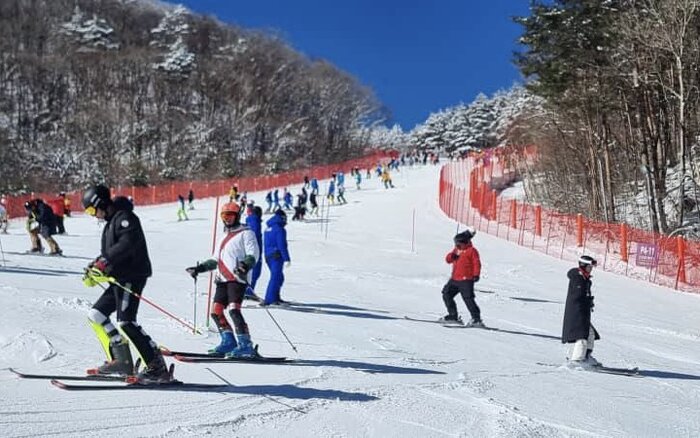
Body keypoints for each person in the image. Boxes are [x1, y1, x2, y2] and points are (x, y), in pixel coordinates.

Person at [81, 184, 169, 381]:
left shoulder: (126, 218)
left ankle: (157, 366)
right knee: (96, 314)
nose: (92, 215)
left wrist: (104, 262)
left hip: (132, 276)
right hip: (119, 279)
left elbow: (126, 245)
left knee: (126, 321)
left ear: (100, 203)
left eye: (91, 210)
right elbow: (110, 253)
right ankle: (122, 361)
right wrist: (96, 265)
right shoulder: (111, 222)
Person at [186, 202, 260, 357]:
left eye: (230, 215)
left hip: (237, 278)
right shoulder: (223, 236)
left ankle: (246, 345)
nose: (227, 219)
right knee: (216, 311)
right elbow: (215, 260)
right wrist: (199, 269)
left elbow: (253, 254)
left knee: (234, 310)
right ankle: (228, 342)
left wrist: (245, 266)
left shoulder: (246, 233)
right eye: (224, 216)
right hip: (222, 279)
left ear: (237, 216)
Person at [562, 255, 601, 367]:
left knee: (590, 334)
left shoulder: (585, 278)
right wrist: (587, 299)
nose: (591, 269)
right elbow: (577, 296)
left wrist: (589, 300)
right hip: (576, 313)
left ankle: (586, 357)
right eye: (589, 267)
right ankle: (577, 361)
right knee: (581, 336)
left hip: (582, 313)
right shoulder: (578, 278)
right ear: (583, 266)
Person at [439, 227, 482, 327]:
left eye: (458, 243)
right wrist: (451, 256)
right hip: (454, 279)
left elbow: (477, 263)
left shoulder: (472, 251)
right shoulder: (457, 250)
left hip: (466, 280)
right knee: (446, 294)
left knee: (468, 299)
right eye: (455, 243)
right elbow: (448, 260)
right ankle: (453, 315)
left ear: (465, 242)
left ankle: (476, 319)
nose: (456, 245)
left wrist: (476, 274)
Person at [262, 209, 291, 306]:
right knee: (275, 277)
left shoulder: (268, 228)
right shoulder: (279, 229)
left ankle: (275, 297)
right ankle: (270, 299)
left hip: (268, 256)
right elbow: (282, 245)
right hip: (276, 256)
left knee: (279, 277)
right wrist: (286, 258)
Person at [244, 204, 264, 301]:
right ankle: (248, 291)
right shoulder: (255, 221)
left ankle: (248, 290)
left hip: (248, 248)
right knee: (255, 271)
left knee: (250, 271)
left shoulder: (249, 220)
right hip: (255, 249)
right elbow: (255, 234)